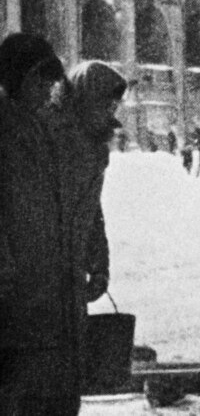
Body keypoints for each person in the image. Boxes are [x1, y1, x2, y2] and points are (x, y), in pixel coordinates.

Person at [0, 32, 79, 415]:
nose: (47, 90)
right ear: (15, 79)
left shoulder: (37, 128)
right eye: (39, 81)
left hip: (40, 287)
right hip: (11, 289)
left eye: (50, 82)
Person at [55, 61, 129, 385]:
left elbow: (90, 210)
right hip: (39, 273)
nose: (111, 110)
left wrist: (98, 264)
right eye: (106, 102)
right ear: (85, 98)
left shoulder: (93, 144)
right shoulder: (51, 139)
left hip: (68, 272)